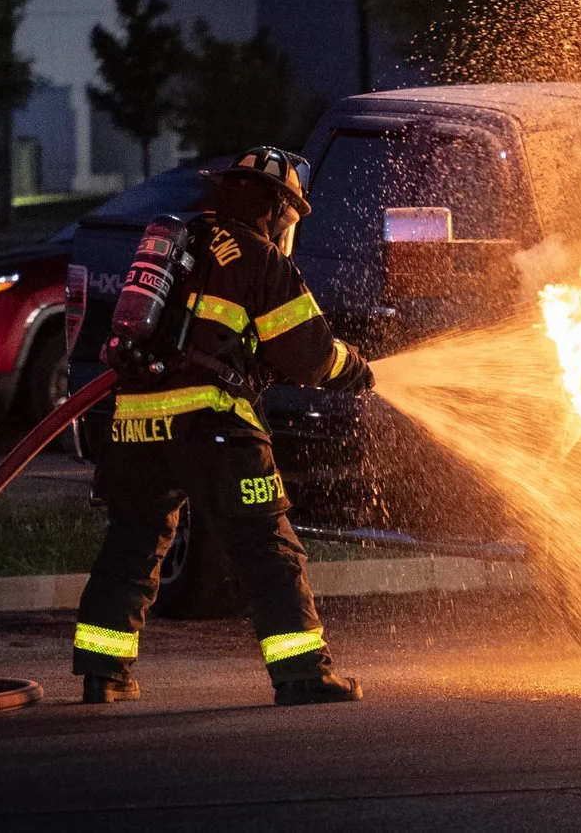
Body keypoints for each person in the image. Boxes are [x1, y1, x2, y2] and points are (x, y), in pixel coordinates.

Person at [71, 146, 374, 706]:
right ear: (280, 208)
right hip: (212, 424)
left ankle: (103, 673)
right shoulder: (258, 258)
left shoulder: (184, 242)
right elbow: (307, 355)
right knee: (266, 546)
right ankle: (302, 672)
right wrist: (354, 369)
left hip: (133, 425)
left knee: (133, 543)